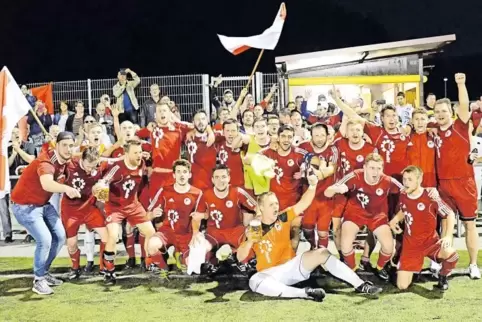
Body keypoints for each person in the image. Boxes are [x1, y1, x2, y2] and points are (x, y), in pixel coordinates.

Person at [237, 172, 382, 301]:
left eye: (276, 203)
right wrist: (249, 241)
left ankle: (361, 285)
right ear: (261, 208)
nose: (276, 207)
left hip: (291, 268)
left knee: (322, 252)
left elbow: (304, 203)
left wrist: (312, 186)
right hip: (269, 274)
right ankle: (304, 293)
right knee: (255, 281)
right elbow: (240, 256)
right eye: (271, 205)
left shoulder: (283, 217)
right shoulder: (254, 227)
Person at [10, 132, 81, 295]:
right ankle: (38, 280)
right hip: (25, 206)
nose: (68, 149)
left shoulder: (65, 159)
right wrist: (67, 188)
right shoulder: (47, 161)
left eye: (71, 145)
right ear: (56, 145)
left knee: (60, 236)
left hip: (42, 204)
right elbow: (47, 183)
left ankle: (44, 272)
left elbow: (80, 156)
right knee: (45, 239)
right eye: (64, 145)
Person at [325, 153, 403, 281]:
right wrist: (336, 189)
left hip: (377, 216)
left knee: (389, 247)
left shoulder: (388, 181)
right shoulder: (355, 175)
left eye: (379, 168)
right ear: (365, 168)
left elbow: (408, 191)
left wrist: (428, 192)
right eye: (372, 168)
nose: (376, 172)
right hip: (355, 214)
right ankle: (354, 270)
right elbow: (327, 192)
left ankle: (379, 268)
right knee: (345, 245)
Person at [433, 73, 480, 279]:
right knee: (446, 225)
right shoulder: (433, 130)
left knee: (469, 224)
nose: (441, 114)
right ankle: (443, 262)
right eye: (437, 112)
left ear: (451, 112)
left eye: (444, 111)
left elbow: (463, 104)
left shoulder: (459, 125)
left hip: (465, 183)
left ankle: (473, 264)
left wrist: (461, 84)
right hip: (443, 185)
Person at [95, 140, 157, 285]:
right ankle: (109, 271)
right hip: (115, 207)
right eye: (135, 153)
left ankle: (149, 263)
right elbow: (103, 182)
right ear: (126, 154)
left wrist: (143, 155)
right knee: (113, 236)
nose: (139, 155)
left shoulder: (141, 162)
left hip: (133, 204)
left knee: (150, 232)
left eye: (140, 152)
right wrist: (101, 192)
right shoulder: (117, 168)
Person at [390, 166, 458, 291]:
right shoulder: (403, 194)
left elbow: (450, 214)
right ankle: (414, 269)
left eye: (410, 179)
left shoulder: (431, 196)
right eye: (404, 179)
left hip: (430, 243)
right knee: (402, 286)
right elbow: (404, 210)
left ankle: (442, 276)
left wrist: (448, 235)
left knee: (452, 254)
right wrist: (395, 220)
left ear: (419, 179)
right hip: (411, 246)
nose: (406, 183)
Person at [146, 160, 207, 272]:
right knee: (152, 244)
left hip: (187, 235)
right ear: (174, 175)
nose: (181, 175)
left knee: (192, 268)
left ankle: (181, 255)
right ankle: (163, 266)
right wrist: (152, 214)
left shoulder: (197, 193)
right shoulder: (164, 190)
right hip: (167, 232)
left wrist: (196, 232)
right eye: (178, 172)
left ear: (189, 174)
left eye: (184, 172)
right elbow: (146, 215)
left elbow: (204, 215)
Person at [61, 147, 109, 279]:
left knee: (106, 236)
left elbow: (104, 187)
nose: (90, 170)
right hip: (70, 209)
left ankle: (103, 267)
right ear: (82, 159)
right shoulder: (70, 165)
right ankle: (75, 268)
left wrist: (102, 197)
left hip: (89, 207)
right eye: (88, 166)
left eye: (93, 167)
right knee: (71, 244)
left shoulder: (99, 168)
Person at [200, 164, 257, 271]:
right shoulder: (205, 195)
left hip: (236, 231)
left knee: (248, 253)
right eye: (216, 177)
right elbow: (197, 216)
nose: (220, 180)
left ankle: (239, 258)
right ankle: (214, 261)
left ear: (229, 178)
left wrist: (255, 223)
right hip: (214, 233)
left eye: (223, 177)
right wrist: (195, 233)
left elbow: (258, 208)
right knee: (203, 253)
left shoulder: (237, 192)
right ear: (212, 179)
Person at [298, 123, 338, 249]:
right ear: (311, 137)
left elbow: (332, 168)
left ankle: (321, 257)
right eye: (316, 135)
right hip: (308, 197)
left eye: (322, 135)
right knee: (307, 228)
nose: (319, 138)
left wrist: (317, 173)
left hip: (325, 198)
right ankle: (312, 247)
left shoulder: (333, 150)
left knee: (322, 231)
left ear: (328, 136)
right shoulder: (302, 147)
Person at [185, 110, 217, 190]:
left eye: (203, 119)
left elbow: (234, 132)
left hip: (211, 184)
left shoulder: (216, 136)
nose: (201, 122)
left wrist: (211, 131)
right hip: (192, 184)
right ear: (193, 122)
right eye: (198, 119)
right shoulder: (187, 135)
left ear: (207, 121)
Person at [213, 119, 245, 187]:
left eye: (233, 131)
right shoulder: (218, 144)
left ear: (238, 132)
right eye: (227, 131)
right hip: (222, 186)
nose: (230, 134)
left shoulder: (244, 146)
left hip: (239, 186)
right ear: (223, 132)